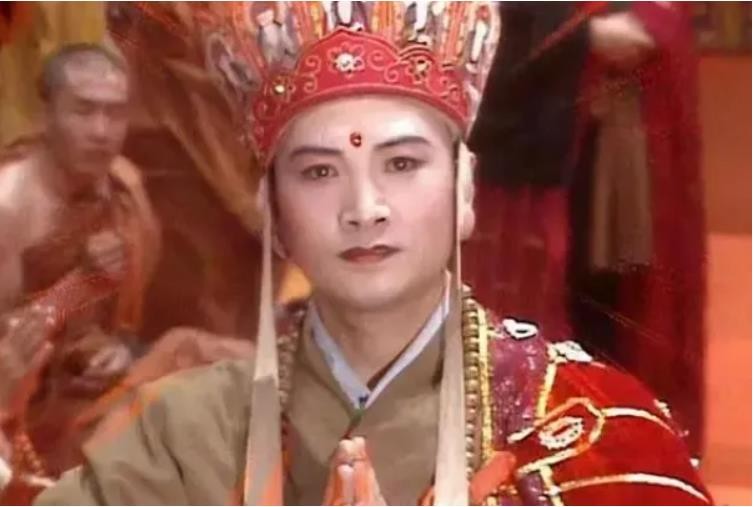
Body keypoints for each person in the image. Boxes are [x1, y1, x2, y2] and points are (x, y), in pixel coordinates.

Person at [14, 3, 710, 505]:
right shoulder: (182, 437)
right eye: (319, 171)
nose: (365, 206)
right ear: (273, 215)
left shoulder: (597, 437)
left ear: (466, 188)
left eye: (402, 163)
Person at [0, 43, 161, 480]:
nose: (102, 131)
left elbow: (121, 323)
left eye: (115, 113)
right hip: (25, 417)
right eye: (84, 111)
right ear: (46, 114)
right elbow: (7, 351)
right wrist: (80, 286)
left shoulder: (123, 187)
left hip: (92, 387)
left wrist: (113, 351)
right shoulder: (10, 205)